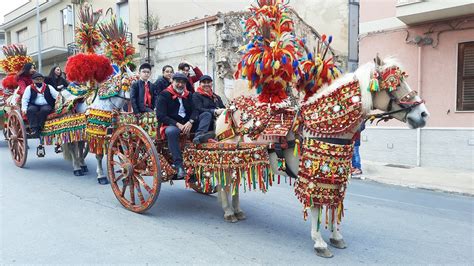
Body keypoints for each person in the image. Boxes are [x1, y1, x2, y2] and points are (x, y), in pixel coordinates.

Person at [156, 72, 198, 179]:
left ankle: (198, 161)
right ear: (172, 81)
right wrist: (177, 124)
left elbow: (195, 111)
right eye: (178, 82)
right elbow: (161, 115)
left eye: (183, 82)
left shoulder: (189, 95)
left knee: (204, 124)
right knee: (172, 132)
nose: (180, 84)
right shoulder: (164, 94)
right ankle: (178, 165)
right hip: (171, 124)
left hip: (187, 123)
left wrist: (191, 121)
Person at [192, 75, 225, 144]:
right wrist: (214, 111)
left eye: (208, 82)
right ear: (200, 84)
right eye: (204, 82)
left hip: (214, 122)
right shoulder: (196, 95)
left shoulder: (216, 97)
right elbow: (198, 109)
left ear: (211, 84)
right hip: (200, 121)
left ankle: (214, 134)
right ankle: (199, 136)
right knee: (207, 114)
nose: (206, 84)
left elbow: (223, 107)